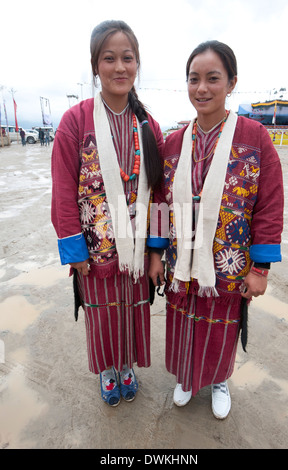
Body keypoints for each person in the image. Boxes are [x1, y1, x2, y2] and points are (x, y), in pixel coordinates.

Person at [149, 40, 284, 419]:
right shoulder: (173, 143)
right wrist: (156, 252)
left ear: (231, 82)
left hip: (229, 259)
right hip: (181, 260)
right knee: (182, 319)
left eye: (213, 78)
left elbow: (270, 204)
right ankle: (186, 378)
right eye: (194, 79)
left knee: (222, 325)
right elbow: (159, 200)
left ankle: (220, 380)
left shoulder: (256, 138)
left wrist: (260, 269)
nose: (202, 88)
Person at [51, 20, 164, 407]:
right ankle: (107, 371)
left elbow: (161, 195)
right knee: (102, 316)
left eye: (127, 58)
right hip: (95, 251)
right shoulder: (75, 122)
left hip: (136, 254)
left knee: (132, 314)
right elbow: (64, 191)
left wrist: (155, 253)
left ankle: (127, 365)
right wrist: (74, 248)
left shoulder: (149, 125)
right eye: (109, 58)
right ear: (95, 65)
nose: (120, 67)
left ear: (137, 63)